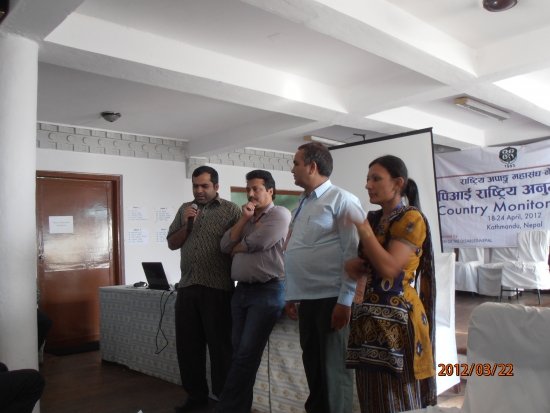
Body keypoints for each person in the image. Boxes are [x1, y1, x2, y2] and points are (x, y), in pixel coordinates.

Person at [345, 155, 437, 412]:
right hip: (366, 321)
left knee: (396, 399)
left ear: (398, 184)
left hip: (398, 322)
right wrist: (355, 266)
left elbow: (388, 268)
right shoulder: (374, 219)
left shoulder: (411, 218)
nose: (368, 185)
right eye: (367, 179)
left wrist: (362, 228)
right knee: (371, 397)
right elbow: (372, 265)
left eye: (376, 178)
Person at [284, 142, 366, 413]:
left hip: (331, 299)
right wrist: (292, 294)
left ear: (312, 166)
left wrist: (345, 301)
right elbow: (298, 249)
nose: (292, 169)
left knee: (334, 374)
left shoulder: (343, 200)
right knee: (315, 372)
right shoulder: (303, 202)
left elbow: (353, 254)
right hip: (307, 299)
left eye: (296, 163)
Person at [215, 170, 290, 413]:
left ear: (270, 191)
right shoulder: (246, 217)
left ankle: (225, 408)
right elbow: (225, 245)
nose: (250, 194)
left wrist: (238, 248)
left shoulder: (279, 214)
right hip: (242, 292)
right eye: (248, 189)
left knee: (246, 354)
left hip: (268, 291)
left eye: (256, 189)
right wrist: (242, 221)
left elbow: (259, 242)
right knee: (240, 353)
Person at [167, 166, 241, 413]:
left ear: (216, 187)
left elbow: (238, 244)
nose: (199, 190)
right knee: (188, 348)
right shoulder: (185, 210)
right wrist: (187, 226)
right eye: (195, 186)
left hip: (217, 288)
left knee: (220, 349)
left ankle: (224, 400)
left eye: (204, 186)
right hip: (187, 287)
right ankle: (196, 397)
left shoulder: (231, 210)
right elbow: (171, 244)